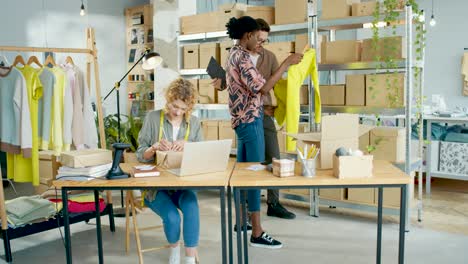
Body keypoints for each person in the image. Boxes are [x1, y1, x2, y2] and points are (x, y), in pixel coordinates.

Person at [224, 16, 302, 249]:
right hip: (251, 120)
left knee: (243, 174)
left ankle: (241, 223)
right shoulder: (244, 58)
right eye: (257, 39)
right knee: (255, 175)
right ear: (247, 36)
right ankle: (257, 232)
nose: (260, 43)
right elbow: (264, 87)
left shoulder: (233, 53)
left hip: (242, 122)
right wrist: (287, 63)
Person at [136, 78, 203, 264]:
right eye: (174, 106)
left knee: (191, 207)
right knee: (172, 217)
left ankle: (189, 260)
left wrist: (188, 145)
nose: (177, 112)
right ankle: (174, 252)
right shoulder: (153, 118)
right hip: (156, 187)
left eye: (183, 109)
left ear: (189, 107)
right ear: (168, 99)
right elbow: (140, 153)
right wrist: (154, 148)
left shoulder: (194, 123)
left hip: (182, 184)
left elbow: (201, 155)